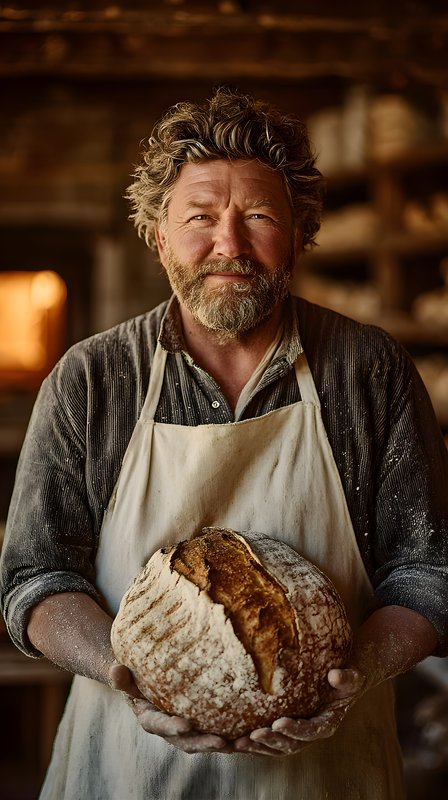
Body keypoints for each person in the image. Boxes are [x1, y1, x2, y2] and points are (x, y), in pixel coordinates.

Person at [1, 88, 448, 800]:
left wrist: (357, 670)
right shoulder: (91, 378)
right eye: (200, 218)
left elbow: (428, 573)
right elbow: (36, 578)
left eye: (260, 217)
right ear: (157, 235)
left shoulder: (369, 371)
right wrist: (122, 669)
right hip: (124, 770)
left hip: (327, 774)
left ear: (300, 233)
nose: (229, 246)